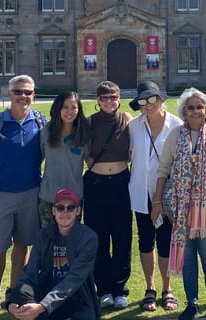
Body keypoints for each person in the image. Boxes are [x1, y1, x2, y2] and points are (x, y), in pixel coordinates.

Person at [151, 87, 206, 320]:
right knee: (187, 261)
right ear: (184, 112)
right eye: (190, 107)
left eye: (199, 107)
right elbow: (163, 169)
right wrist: (157, 201)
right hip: (182, 212)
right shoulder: (176, 136)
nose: (196, 111)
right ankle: (192, 303)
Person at [0, 74, 46, 319]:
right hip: (0, 195)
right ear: (9, 94)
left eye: (28, 92)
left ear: (33, 95)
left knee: (22, 246)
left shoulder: (40, 120)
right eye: (18, 92)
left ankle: (13, 293)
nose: (23, 96)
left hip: (31, 193)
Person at [127, 80, 183, 312]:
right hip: (141, 192)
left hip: (168, 195)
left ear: (161, 100)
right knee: (145, 240)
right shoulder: (133, 126)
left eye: (152, 99)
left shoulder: (176, 125)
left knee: (165, 241)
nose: (148, 105)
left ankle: (166, 289)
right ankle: (150, 288)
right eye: (143, 101)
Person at [3, 188, 101, 320]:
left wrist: (43, 306)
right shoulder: (43, 236)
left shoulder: (88, 238)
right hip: (47, 288)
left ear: (78, 211)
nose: (65, 212)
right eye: (60, 208)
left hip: (77, 295)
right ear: (53, 211)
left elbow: (74, 280)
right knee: (22, 292)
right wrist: (11, 302)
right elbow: (29, 273)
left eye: (70, 208)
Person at [84, 80, 133, 309]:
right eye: (104, 97)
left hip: (122, 183)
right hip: (96, 183)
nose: (109, 101)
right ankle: (103, 288)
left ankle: (119, 287)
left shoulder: (127, 120)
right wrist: (86, 157)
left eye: (113, 97)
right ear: (98, 100)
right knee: (98, 238)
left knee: (122, 237)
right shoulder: (89, 122)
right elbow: (77, 146)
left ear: (119, 98)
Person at [39, 92, 91, 227]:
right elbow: (36, 161)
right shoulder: (46, 131)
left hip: (74, 200)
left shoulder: (84, 134)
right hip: (49, 198)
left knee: (71, 244)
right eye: (65, 107)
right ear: (58, 109)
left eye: (74, 107)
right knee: (48, 244)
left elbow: (91, 162)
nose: (69, 112)